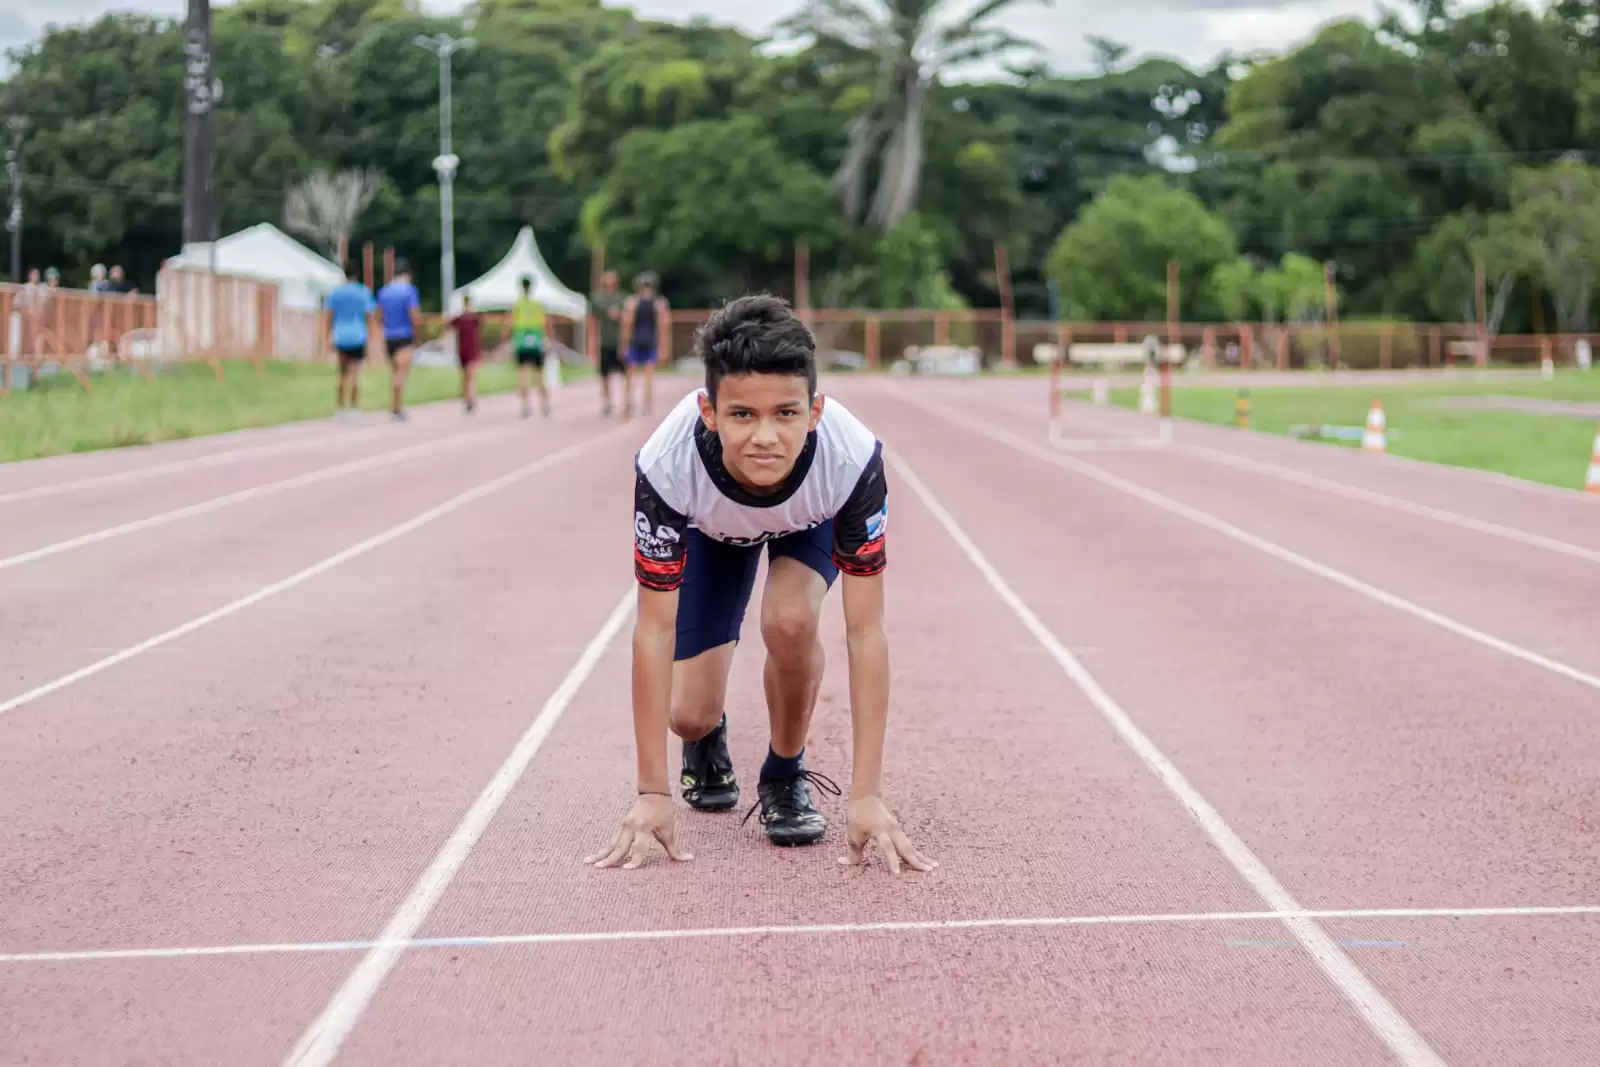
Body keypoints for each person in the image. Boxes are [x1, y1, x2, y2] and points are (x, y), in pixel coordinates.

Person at [584, 294, 935, 875]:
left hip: (808, 524)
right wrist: (652, 791)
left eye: (786, 414)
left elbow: (866, 631)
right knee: (688, 713)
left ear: (816, 411)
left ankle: (784, 771)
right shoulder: (668, 464)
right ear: (709, 412)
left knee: (791, 619)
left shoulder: (850, 458)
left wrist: (866, 793)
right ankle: (706, 739)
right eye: (742, 415)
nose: (765, 437)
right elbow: (652, 628)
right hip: (712, 532)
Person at [324, 264, 376, 416]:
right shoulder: (363, 292)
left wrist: (328, 335)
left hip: (340, 335)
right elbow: (370, 315)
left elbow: (328, 315)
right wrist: (372, 336)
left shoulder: (335, 293)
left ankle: (340, 407)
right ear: (357, 274)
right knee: (355, 373)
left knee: (341, 373)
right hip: (358, 335)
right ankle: (353, 407)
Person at [376, 260, 423, 422]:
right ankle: (397, 408)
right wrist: (417, 336)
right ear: (408, 274)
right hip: (404, 335)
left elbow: (379, 315)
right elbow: (415, 315)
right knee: (401, 374)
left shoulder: (384, 291)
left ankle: (394, 406)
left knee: (394, 373)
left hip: (389, 335)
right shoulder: (409, 291)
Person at [619, 271, 668, 419]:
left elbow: (627, 323)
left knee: (630, 374)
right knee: (648, 374)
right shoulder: (659, 303)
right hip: (650, 340)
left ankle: (628, 403)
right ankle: (647, 405)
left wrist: (624, 343)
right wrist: (663, 346)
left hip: (636, 341)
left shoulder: (632, 302)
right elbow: (662, 326)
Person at [510, 275, 551, 418]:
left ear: (522, 287)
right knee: (539, 376)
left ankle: (525, 405)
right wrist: (547, 340)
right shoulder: (537, 304)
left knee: (523, 376)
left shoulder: (518, 304)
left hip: (521, 342)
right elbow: (545, 323)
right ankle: (545, 404)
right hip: (536, 342)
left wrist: (509, 341)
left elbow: (510, 323)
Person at [590, 269, 625, 417]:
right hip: (604, 340)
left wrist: (620, 316)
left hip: (620, 340)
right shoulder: (598, 299)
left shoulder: (622, 298)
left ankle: (625, 400)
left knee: (624, 373)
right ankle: (607, 402)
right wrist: (592, 342)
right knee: (604, 374)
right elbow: (592, 321)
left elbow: (629, 318)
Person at [447, 293, 483, 414]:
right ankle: (467, 398)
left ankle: (470, 399)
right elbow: (448, 325)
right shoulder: (462, 318)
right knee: (467, 376)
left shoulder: (472, 317)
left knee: (469, 375)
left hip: (469, 350)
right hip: (465, 350)